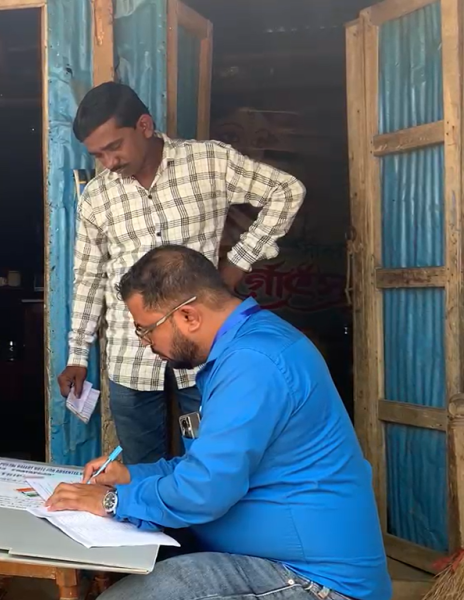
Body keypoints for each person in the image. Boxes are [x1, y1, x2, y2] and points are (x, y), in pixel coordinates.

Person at [47, 245, 390, 600]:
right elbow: (207, 466)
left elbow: (203, 491)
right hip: (270, 560)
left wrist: (112, 502)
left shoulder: (252, 362)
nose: (146, 344)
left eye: (145, 329)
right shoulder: (244, 346)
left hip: (314, 581)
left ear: (188, 317)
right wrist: (132, 477)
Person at [57, 82, 306, 465]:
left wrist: (237, 262)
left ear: (144, 125)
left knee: (215, 462)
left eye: (114, 147)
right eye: (98, 154)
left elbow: (286, 191)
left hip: (204, 349)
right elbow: (89, 277)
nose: (108, 163)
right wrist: (77, 355)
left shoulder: (210, 162)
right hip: (130, 352)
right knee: (141, 469)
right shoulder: (97, 196)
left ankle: (207, 527)